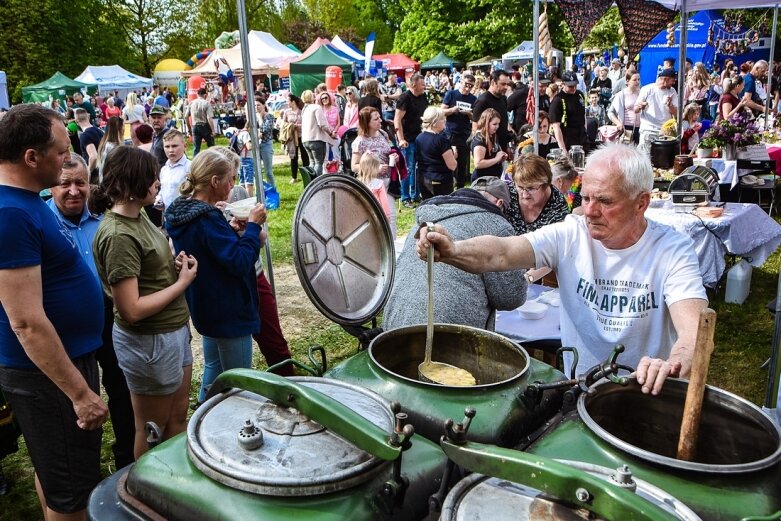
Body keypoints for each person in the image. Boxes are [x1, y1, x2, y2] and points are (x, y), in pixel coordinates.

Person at [417, 142, 708, 395]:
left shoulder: (672, 249)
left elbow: (696, 331)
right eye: (586, 198)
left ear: (641, 202)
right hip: (580, 388)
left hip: (648, 391)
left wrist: (672, 364)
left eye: (605, 201)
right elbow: (503, 252)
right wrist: (453, 250)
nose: (590, 211)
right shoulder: (572, 234)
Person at [0, 104, 108, 521]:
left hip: (59, 364)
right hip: (49, 375)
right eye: (62, 152)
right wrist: (80, 395)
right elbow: (25, 321)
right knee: (73, 492)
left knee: (57, 471)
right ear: (32, 157)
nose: (69, 158)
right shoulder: (10, 214)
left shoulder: (23, 202)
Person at [92, 146, 197, 459]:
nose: (158, 184)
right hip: (150, 343)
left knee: (177, 417)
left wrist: (173, 267)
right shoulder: (118, 236)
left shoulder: (139, 216)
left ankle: (173, 484)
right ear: (132, 182)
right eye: (152, 179)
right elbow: (131, 310)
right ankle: (148, 493)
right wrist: (182, 283)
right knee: (152, 429)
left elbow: (149, 270)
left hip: (171, 333)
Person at [47, 153, 135, 470]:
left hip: (110, 316)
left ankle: (127, 455)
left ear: (89, 183)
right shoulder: (41, 223)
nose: (73, 191)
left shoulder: (104, 218)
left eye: (80, 183)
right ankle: (81, 467)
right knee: (79, 394)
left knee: (122, 387)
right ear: (50, 187)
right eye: (64, 183)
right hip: (64, 327)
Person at [165, 148, 265, 404]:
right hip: (229, 311)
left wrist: (229, 231)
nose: (233, 185)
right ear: (214, 181)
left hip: (205, 306)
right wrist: (253, 228)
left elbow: (212, 251)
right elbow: (240, 262)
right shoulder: (207, 219)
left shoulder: (183, 213)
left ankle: (202, 411)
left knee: (214, 368)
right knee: (240, 383)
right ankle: (233, 429)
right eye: (230, 179)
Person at [383, 176, 527, 331]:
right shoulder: (498, 226)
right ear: (500, 204)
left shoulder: (427, 219)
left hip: (392, 329)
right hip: (449, 337)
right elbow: (510, 297)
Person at [351, 107, 398, 236]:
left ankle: (392, 245)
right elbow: (354, 166)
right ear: (367, 122)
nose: (380, 120)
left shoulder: (383, 133)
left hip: (388, 182)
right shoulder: (359, 142)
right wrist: (374, 169)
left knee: (391, 215)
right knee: (374, 217)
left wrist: (394, 156)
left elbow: (390, 150)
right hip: (372, 185)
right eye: (376, 119)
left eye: (379, 117)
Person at [504, 153, 570, 236]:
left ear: (545, 185)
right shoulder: (507, 193)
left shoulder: (558, 205)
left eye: (530, 188)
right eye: (520, 187)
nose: (524, 195)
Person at [395, 73, 429, 207]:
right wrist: (401, 139)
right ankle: (405, 197)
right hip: (408, 139)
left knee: (418, 167)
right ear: (414, 85)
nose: (424, 86)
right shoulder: (405, 98)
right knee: (408, 168)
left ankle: (416, 194)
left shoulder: (423, 97)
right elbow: (397, 120)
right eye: (422, 84)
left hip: (420, 137)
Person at [442, 73, 476, 189]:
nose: (468, 88)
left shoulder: (473, 99)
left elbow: (474, 117)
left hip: (464, 134)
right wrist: (453, 110)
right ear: (461, 82)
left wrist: (469, 113)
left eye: (471, 86)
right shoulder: (451, 94)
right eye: (466, 84)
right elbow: (442, 111)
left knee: (463, 162)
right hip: (450, 132)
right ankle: (448, 184)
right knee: (450, 160)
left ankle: (460, 186)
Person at [415, 106, 457, 199]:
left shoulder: (419, 138)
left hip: (424, 180)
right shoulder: (441, 140)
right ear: (434, 123)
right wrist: (454, 153)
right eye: (442, 119)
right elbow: (452, 165)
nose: (445, 120)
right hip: (440, 182)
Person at [635, 68, 678, 153]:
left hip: (665, 131)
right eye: (672, 80)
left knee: (662, 161)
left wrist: (670, 105)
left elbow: (676, 113)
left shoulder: (672, 91)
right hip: (648, 130)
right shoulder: (647, 89)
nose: (674, 83)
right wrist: (641, 106)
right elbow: (635, 109)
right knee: (645, 158)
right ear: (665, 79)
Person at [472, 70, 512, 155]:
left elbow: (504, 121)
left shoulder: (503, 98)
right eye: (503, 84)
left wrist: (506, 146)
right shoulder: (483, 101)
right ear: (493, 82)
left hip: (502, 148)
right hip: (489, 151)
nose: (506, 87)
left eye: (507, 84)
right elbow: (475, 128)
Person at [549, 71, 587, 156]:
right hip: (567, 136)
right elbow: (556, 126)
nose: (573, 88)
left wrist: (585, 131)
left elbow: (583, 115)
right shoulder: (558, 100)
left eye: (575, 85)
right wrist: (562, 149)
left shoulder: (579, 95)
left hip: (581, 135)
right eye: (570, 86)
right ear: (563, 84)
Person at [301, 90, 336, 177]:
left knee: (312, 162)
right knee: (318, 163)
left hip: (305, 139)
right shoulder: (316, 107)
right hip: (316, 138)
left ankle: (310, 181)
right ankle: (317, 182)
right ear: (312, 97)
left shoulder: (304, 109)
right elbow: (322, 124)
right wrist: (330, 133)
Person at [157, 129, 190, 212]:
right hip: (167, 217)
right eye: (167, 146)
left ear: (185, 146)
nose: (171, 150)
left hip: (184, 215)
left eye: (174, 146)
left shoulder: (190, 167)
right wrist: (159, 200)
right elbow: (163, 189)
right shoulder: (164, 170)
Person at [470, 108, 506, 180]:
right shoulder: (479, 140)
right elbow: (478, 164)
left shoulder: (492, 135)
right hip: (482, 181)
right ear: (486, 123)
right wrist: (496, 159)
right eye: (494, 124)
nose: (497, 127)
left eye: (498, 124)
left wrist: (501, 157)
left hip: (493, 179)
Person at [281, 94, 308, 184]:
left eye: (288, 101)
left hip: (302, 136)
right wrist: (290, 126)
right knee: (293, 156)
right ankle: (294, 177)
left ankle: (306, 175)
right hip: (292, 137)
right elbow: (283, 124)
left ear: (293, 102)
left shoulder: (302, 111)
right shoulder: (287, 112)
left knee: (305, 156)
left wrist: (298, 126)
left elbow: (306, 123)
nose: (287, 103)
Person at [608, 71, 641, 145]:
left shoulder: (642, 93)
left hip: (641, 128)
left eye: (639, 79)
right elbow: (610, 112)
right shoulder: (621, 95)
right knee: (627, 152)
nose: (637, 82)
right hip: (627, 128)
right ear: (627, 81)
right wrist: (618, 123)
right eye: (634, 80)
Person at [357, 152, 391, 221]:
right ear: (374, 168)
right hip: (376, 215)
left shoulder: (357, 183)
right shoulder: (378, 184)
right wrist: (387, 217)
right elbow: (384, 203)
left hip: (360, 215)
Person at [75, 107, 104, 173]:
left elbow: (94, 157)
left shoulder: (85, 135)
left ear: (76, 120)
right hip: (104, 169)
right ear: (88, 117)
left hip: (96, 173)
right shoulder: (100, 131)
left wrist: (88, 171)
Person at [188, 87, 215, 156]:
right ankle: (214, 161)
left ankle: (194, 165)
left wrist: (189, 128)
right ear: (205, 95)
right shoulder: (207, 103)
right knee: (212, 147)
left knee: (196, 148)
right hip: (204, 126)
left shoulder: (192, 103)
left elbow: (185, 117)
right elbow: (209, 118)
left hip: (195, 126)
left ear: (197, 94)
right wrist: (213, 130)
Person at [96, 116, 124, 182]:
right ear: (118, 129)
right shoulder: (114, 147)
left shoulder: (106, 144)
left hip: (106, 182)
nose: (124, 129)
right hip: (111, 184)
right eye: (123, 126)